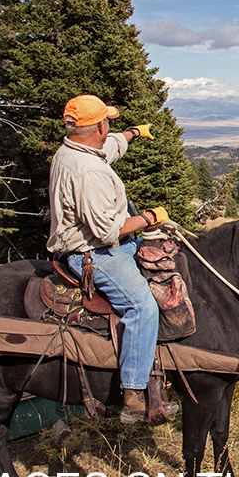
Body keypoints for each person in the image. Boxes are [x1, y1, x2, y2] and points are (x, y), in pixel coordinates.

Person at [47, 94, 178, 425]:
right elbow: (109, 231)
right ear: (100, 126)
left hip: (104, 246)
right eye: (109, 122)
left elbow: (110, 148)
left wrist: (133, 133)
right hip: (95, 255)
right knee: (142, 307)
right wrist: (150, 217)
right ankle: (133, 395)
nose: (111, 128)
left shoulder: (74, 150)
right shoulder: (88, 172)